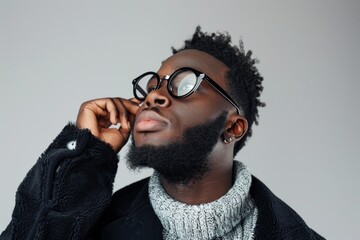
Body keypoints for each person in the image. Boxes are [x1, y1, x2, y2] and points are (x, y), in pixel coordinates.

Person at [1, 27, 325, 240]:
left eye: (184, 84)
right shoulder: (94, 228)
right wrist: (83, 158)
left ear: (233, 127)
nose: (154, 96)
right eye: (153, 84)